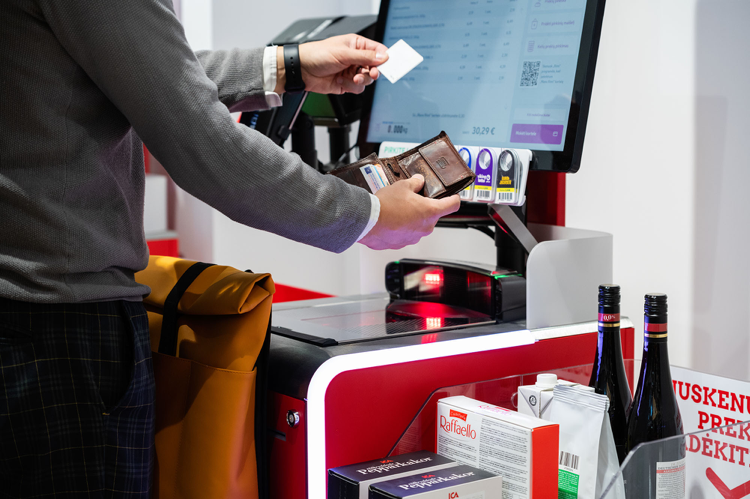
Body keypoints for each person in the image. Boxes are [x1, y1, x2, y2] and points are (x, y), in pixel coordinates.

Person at [0, 0, 460, 497]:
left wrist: (288, 66)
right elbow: (197, 135)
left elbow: (145, 69)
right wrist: (365, 215)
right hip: (52, 331)